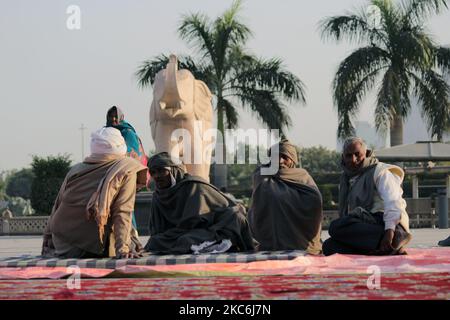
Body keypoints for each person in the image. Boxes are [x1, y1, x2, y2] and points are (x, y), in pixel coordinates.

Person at [41, 127, 148, 259]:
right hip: (91, 247)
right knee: (132, 243)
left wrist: (47, 238)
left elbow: (57, 205)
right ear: (121, 147)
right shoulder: (125, 168)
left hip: (63, 244)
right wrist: (123, 249)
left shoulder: (76, 169)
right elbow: (123, 211)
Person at [144, 152, 257, 254]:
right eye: (153, 172)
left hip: (211, 228)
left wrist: (173, 234)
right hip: (180, 232)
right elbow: (157, 229)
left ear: (173, 171)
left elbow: (193, 221)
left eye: (161, 171)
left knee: (186, 240)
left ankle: (220, 244)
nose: (157, 176)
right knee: (154, 242)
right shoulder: (158, 196)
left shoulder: (193, 186)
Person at [322, 137, 412, 256]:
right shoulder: (346, 178)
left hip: (387, 224)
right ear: (343, 157)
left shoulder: (380, 171)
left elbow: (393, 202)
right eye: (348, 155)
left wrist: (389, 232)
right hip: (364, 225)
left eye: (357, 154)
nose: (353, 159)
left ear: (366, 153)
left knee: (335, 227)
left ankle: (395, 238)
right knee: (329, 246)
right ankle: (381, 250)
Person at [248, 139, 323, 255]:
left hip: (302, 245)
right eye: (275, 157)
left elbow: (315, 205)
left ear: (292, 160)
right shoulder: (263, 177)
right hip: (269, 246)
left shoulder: (303, 178)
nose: (280, 161)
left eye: (284, 157)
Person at [106, 106, 150, 231]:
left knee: (125, 206)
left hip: (125, 175)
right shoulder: (105, 133)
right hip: (109, 175)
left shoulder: (127, 133)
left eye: (116, 116)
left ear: (121, 117)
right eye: (111, 116)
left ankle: (131, 237)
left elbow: (132, 154)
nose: (113, 119)